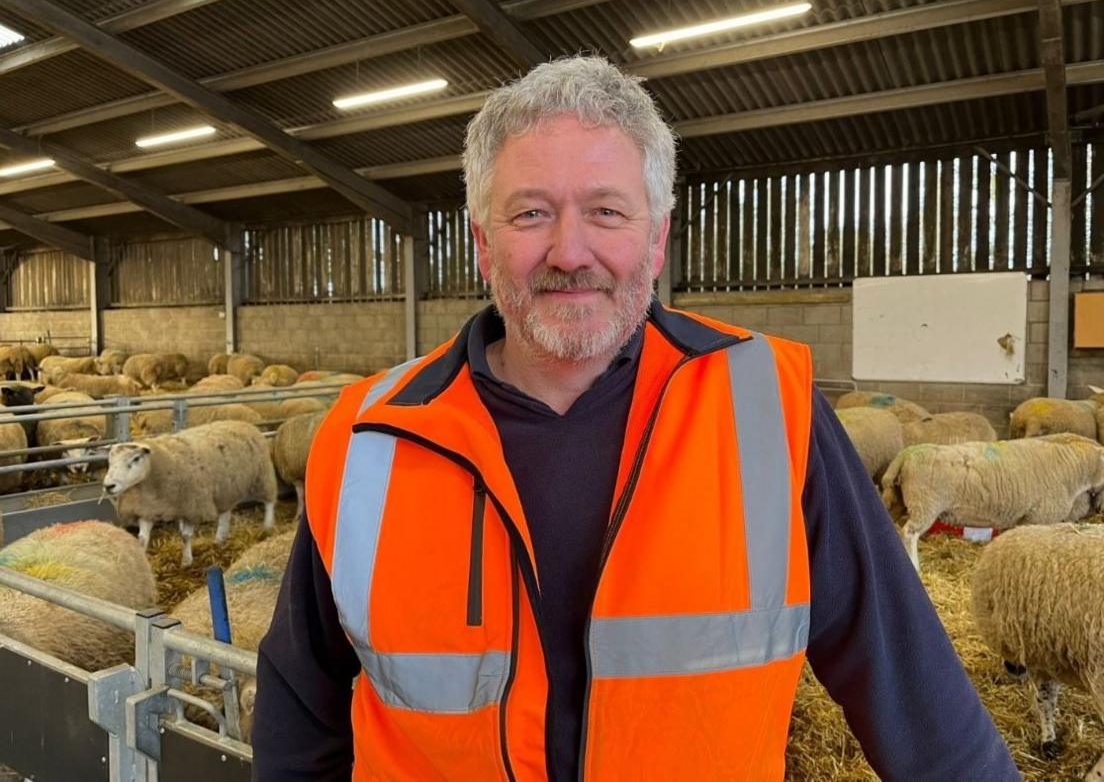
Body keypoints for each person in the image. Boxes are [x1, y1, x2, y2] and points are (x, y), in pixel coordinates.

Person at [253, 56, 1020, 781]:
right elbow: (299, 704)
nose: (570, 250)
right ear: (484, 245)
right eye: (530, 214)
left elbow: (909, 682)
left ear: (656, 240)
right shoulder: (370, 436)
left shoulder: (764, 408)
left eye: (606, 211)